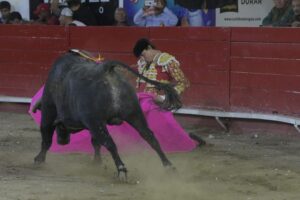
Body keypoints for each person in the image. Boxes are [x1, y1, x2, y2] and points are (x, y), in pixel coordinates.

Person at [132, 38, 206, 146]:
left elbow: (184, 82)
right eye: (141, 57)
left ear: (149, 48)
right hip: (143, 101)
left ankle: (190, 142)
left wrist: (163, 98)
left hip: (157, 104)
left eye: (143, 54)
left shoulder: (167, 60)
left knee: (163, 134)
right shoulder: (143, 63)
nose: (143, 58)